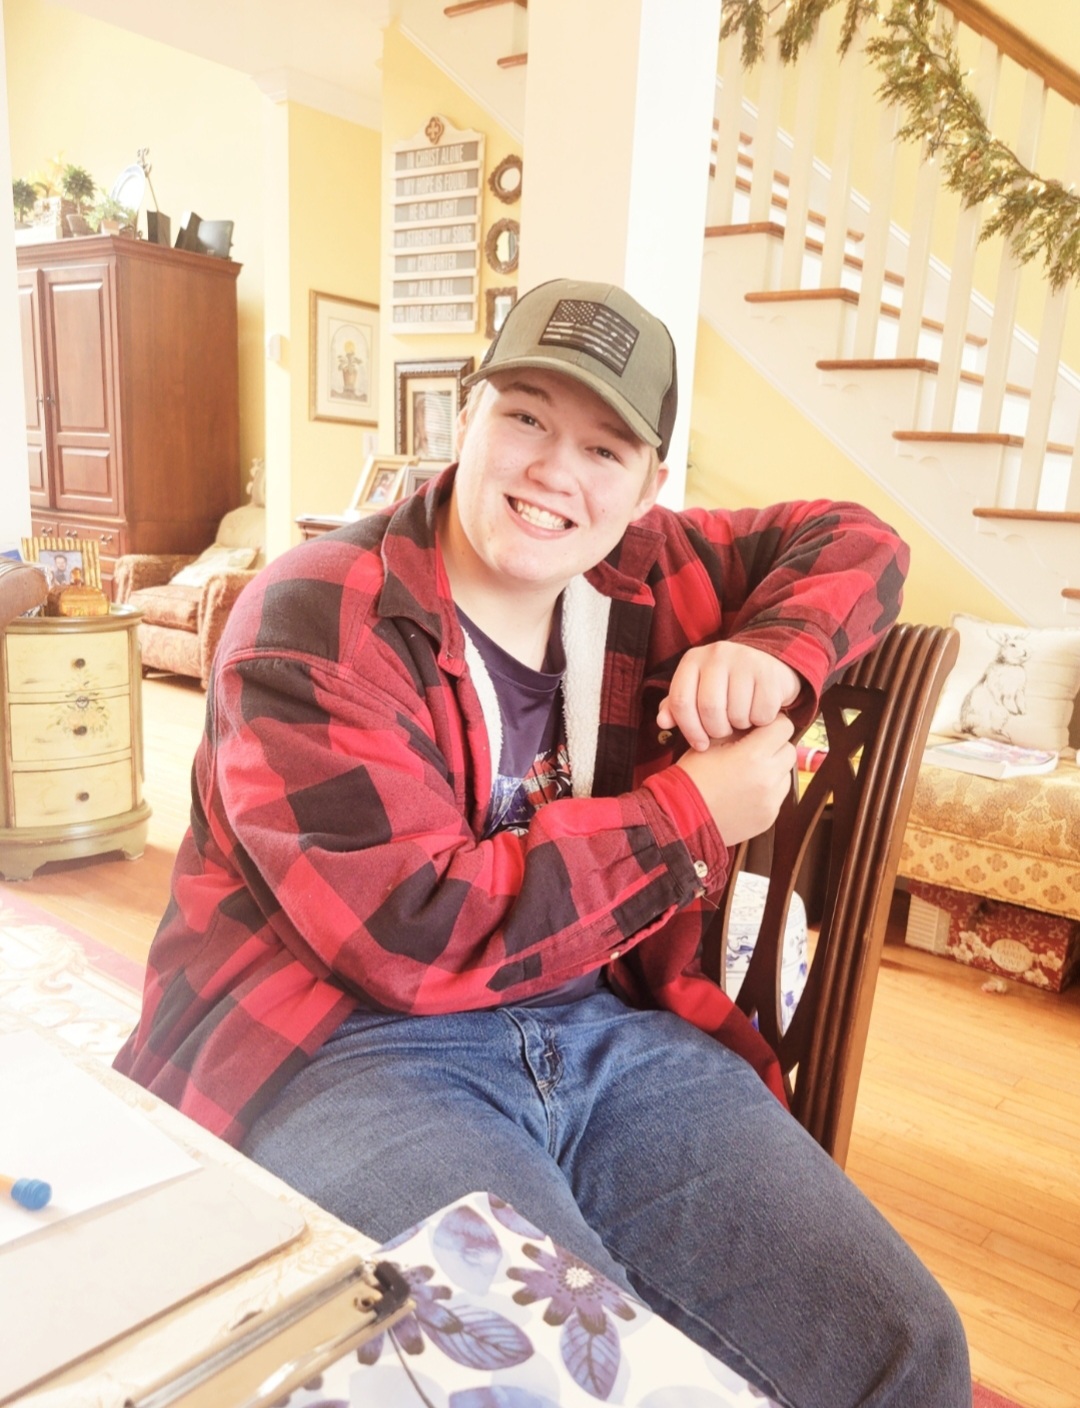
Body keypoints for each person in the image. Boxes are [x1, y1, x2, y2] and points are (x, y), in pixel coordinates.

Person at [115, 278, 970, 1406]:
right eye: (525, 416)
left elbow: (859, 541)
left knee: (907, 1347)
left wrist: (776, 647)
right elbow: (411, 936)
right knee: (560, 1379)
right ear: (465, 418)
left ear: (647, 485)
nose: (557, 471)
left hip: (602, 1025)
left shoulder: (641, 567)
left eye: (605, 447)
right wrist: (690, 815)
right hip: (342, 1045)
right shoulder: (313, 616)